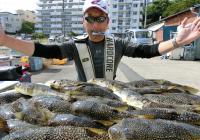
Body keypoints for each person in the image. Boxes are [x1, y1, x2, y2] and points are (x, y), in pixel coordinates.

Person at [0, 0, 200, 82]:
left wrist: (177, 42)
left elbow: (148, 50)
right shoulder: (74, 45)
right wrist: (5, 39)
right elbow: (43, 50)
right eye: (90, 19)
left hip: (111, 96)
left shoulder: (119, 44)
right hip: (81, 96)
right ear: (83, 22)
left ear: (107, 22)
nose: (95, 24)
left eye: (100, 19)